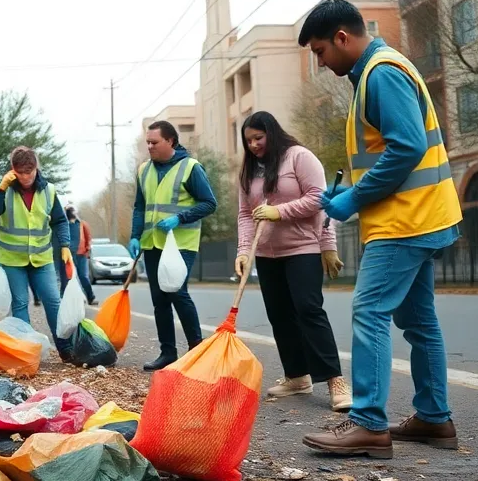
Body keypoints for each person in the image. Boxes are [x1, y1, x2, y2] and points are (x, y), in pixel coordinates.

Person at [298, 0, 462, 459]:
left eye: (320, 51)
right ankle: (434, 418)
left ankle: (368, 423)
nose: (320, 61)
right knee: (418, 321)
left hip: (404, 221)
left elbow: (406, 147)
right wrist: (350, 191)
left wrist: (353, 198)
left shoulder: (381, 73)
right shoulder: (380, 70)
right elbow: (389, 151)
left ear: (343, 38)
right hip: (421, 213)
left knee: (369, 310)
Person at [236, 111, 351, 412]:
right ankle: (297, 376)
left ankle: (335, 381)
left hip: (303, 248)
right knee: (280, 314)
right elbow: (245, 214)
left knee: (308, 310)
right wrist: (244, 251)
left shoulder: (299, 157)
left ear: (272, 133)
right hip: (266, 254)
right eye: (248, 141)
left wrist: (281, 212)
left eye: (258, 138)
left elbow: (319, 199)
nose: (253, 146)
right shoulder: (249, 170)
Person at [129, 121, 217, 371]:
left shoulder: (190, 168)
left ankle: (196, 351)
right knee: (159, 298)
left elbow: (209, 203)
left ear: (171, 142)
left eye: (154, 142)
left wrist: (180, 218)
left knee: (177, 291)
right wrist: (135, 235)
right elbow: (139, 207)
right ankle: (167, 353)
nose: (149, 146)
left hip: (181, 243)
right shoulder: (144, 170)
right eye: (147, 142)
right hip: (153, 243)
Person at [0, 146, 72, 355]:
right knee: (20, 303)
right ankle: (27, 350)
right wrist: (0, 189)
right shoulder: (6, 191)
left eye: (29, 172)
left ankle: (65, 347)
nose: (25, 178)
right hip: (12, 260)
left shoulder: (48, 190)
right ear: (13, 170)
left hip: (41, 258)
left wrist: (65, 245)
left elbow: (60, 220)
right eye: (20, 173)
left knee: (53, 300)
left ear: (36, 168)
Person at [64, 204, 97, 305]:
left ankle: (90, 297)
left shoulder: (82, 224)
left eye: (72, 210)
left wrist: (87, 250)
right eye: (69, 210)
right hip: (69, 255)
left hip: (81, 255)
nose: (71, 212)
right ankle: (74, 300)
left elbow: (88, 238)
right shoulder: (64, 224)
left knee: (83, 276)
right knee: (70, 278)